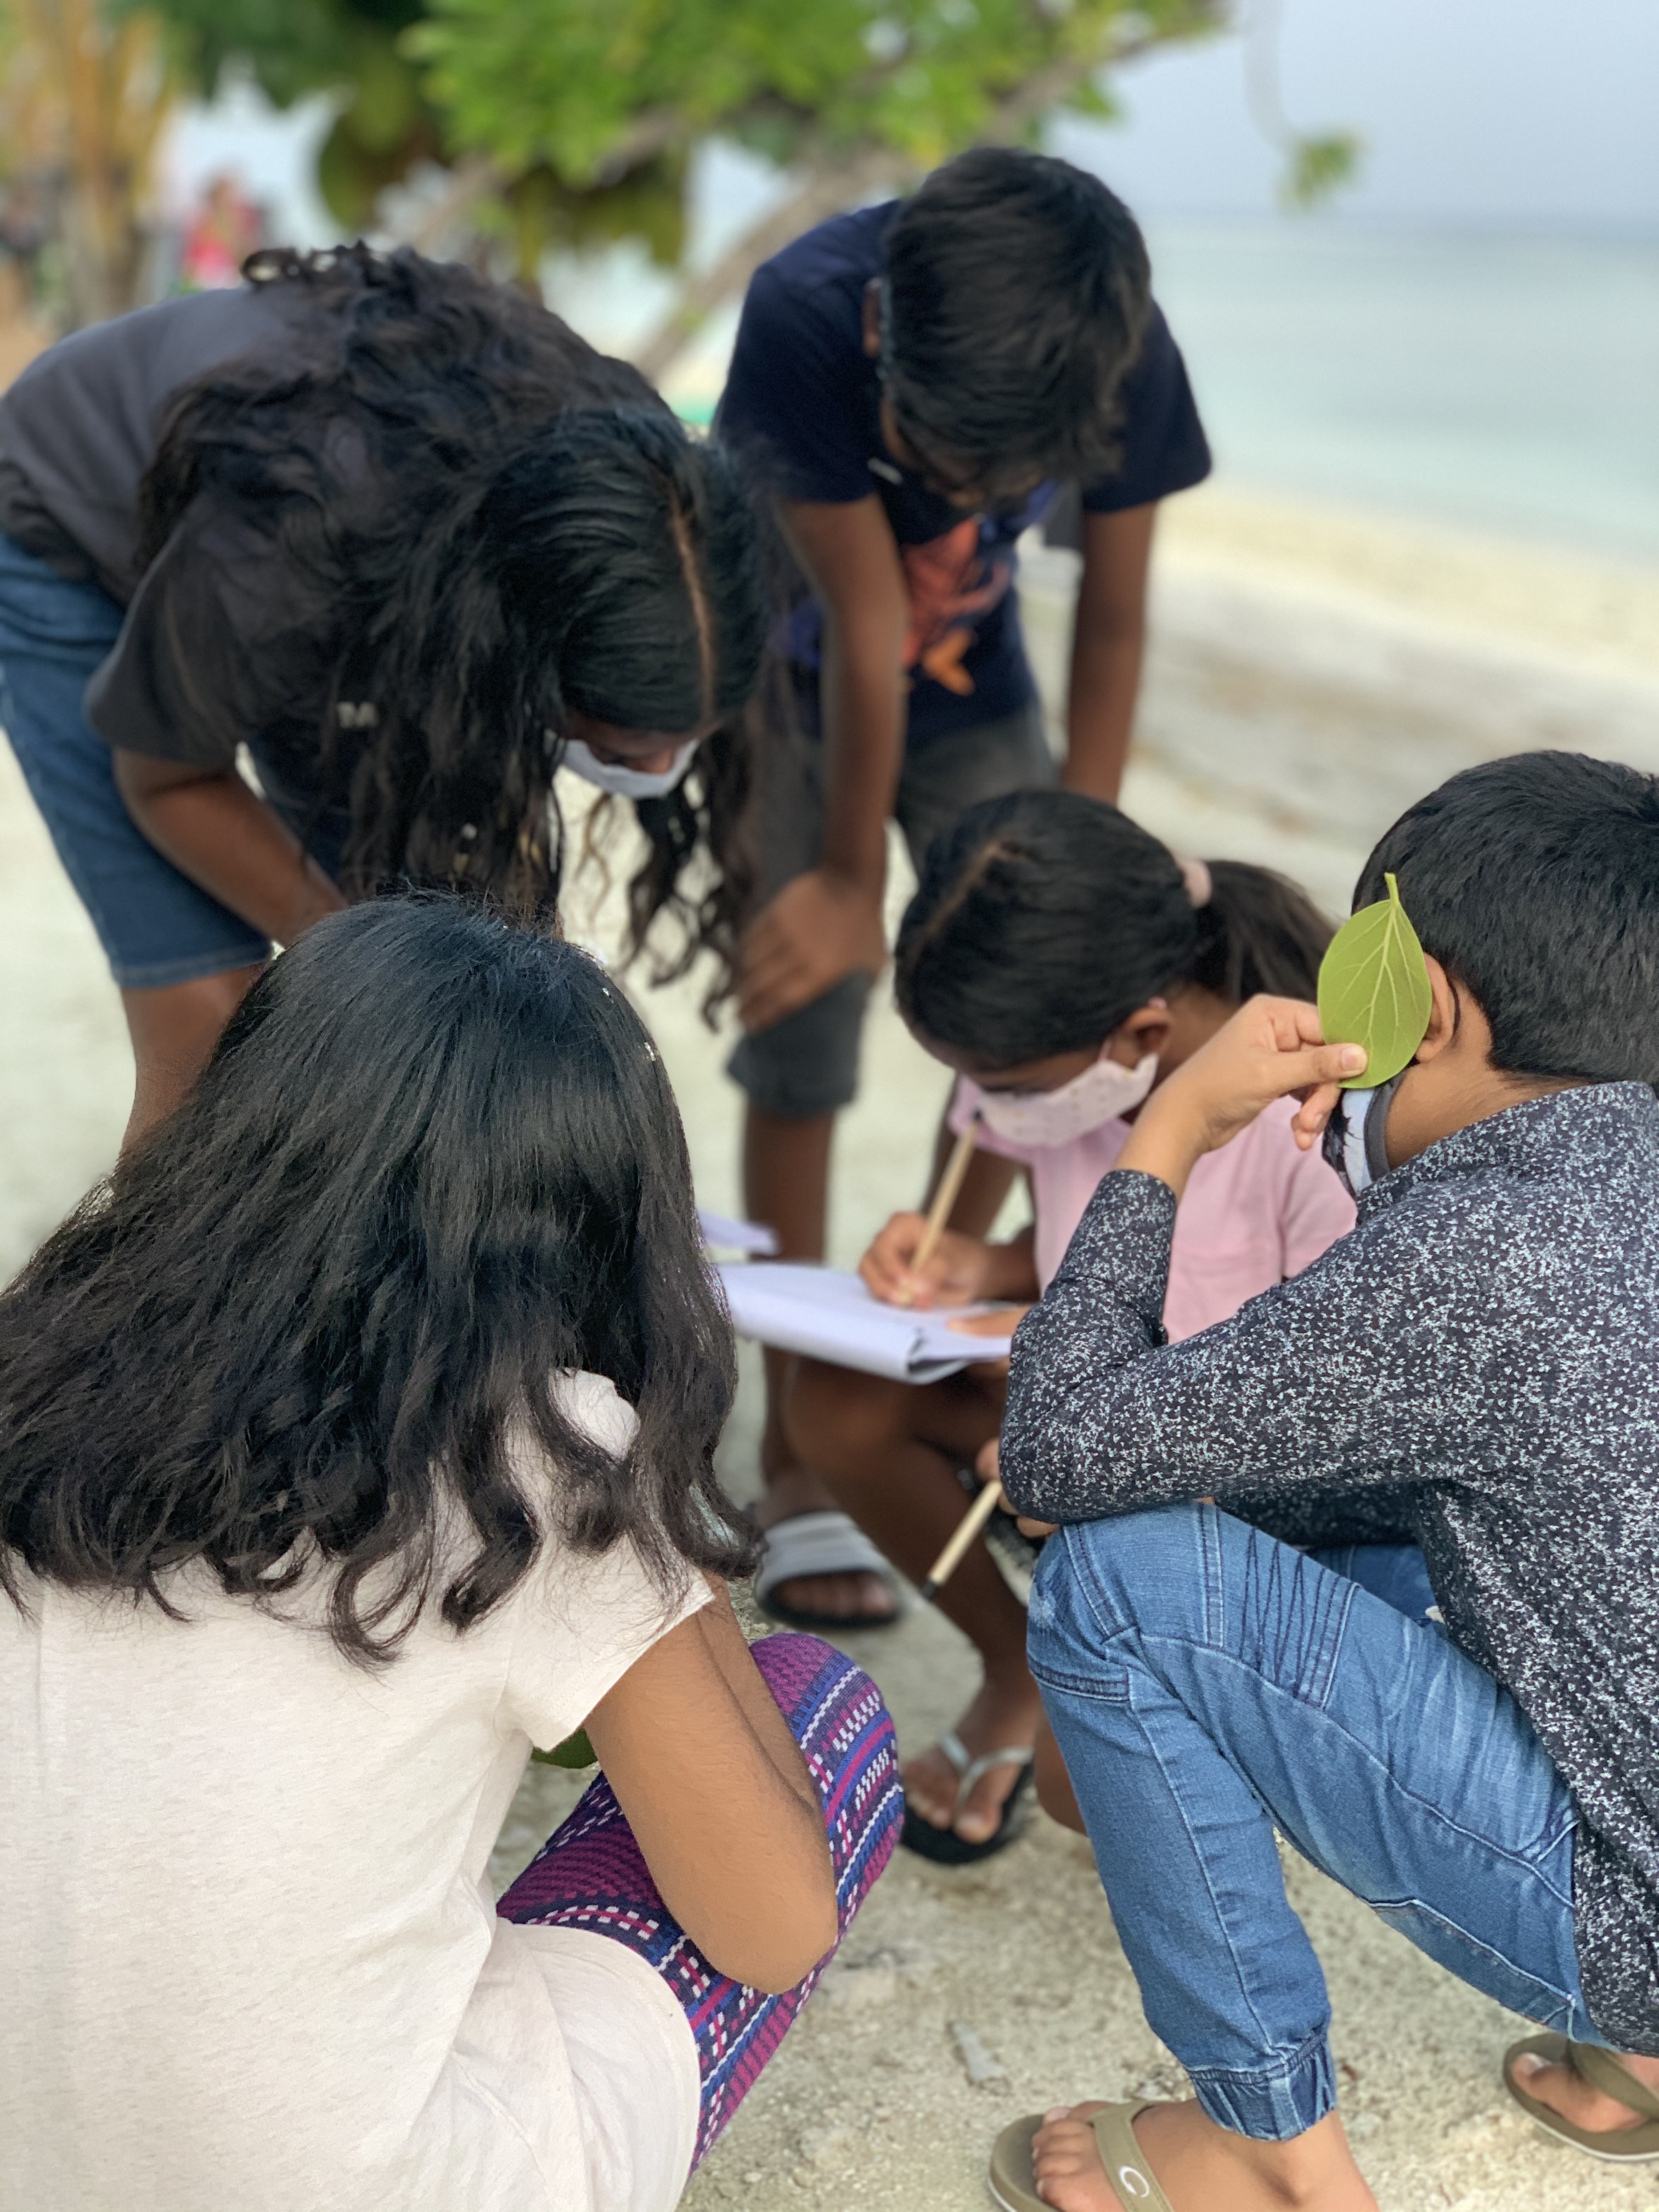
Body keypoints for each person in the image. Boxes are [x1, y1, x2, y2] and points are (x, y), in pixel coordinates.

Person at [0, 895, 901, 2212]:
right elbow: (774, 1932)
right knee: (820, 1709)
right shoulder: (544, 1452)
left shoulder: (50, 1357)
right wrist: (648, 1508)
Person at [988, 751, 1659, 2212]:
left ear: (1423, 1008)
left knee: (1115, 1586)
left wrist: (1171, 1133)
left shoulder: (1487, 1259)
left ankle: (1265, 2153)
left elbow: (1056, 1456)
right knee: (1393, 1517)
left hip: (1645, 1925)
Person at [716, 148, 1212, 1624]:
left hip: (979, 692)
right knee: (803, 1038)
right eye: (941, 466)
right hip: (793, 691)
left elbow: (1114, 616)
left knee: (1027, 1016)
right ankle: (800, 1444)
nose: (971, 499)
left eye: (1000, 487)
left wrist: (1085, 866)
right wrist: (844, 878)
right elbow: (861, 624)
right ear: (884, 340)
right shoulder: (805, 308)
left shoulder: (1114, 345)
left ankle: (950, 1340)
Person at [0, 242, 768, 1141]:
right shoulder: (287, 560)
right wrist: (376, 968)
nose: (662, 771)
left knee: (487, 1000)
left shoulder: (645, 498)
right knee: (214, 1045)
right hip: (67, 528)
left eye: (687, 743)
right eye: (623, 751)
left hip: (367, 573)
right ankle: (169, 1276)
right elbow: (166, 783)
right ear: (517, 658)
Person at [783, 791, 1354, 1860]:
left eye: (1000, 1088)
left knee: (1086, 1797)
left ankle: (1233, 1736)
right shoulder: (1072, 1068)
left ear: (1140, 1033)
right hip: (1092, 1420)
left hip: (1249, 1493)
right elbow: (1080, 1254)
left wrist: (1104, 1464)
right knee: (842, 1398)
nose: (983, 1110)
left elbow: (1332, 1416)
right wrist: (980, 1264)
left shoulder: (1309, 1124)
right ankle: (1016, 1671)